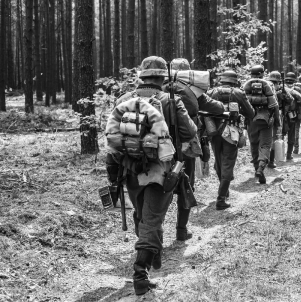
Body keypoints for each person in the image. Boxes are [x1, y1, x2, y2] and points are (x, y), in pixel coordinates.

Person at [105, 56, 197, 295]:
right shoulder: (169, 100)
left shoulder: (123, 100)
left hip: (130, 170)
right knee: (152, 219)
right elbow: (190, 131)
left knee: (142, 215)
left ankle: (151, 252)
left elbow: (111, 139)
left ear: (142, 76)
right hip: (161, 172)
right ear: (162, 78)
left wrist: (113, 174)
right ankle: (140, 271)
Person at [163, 58, 225, 241]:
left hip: (159, 145)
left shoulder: (160, 87)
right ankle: (181, 230)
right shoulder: (192, 90)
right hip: (185, 146)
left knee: (159, 185)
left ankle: (154, 229)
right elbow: (217, 107)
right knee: (185, 184)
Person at [207, 70, 255, 209]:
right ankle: (221, 199)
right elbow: (250, 113)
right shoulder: (238, 93)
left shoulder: (211, 92)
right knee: (227, 164)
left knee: (219, 162)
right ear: (235, 80)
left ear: (221, 79)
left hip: (214, 131)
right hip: (231, 132)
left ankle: (224, 189)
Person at [244, 65, 281, 184]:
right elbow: (275, 105)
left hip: (251, 120)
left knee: (254, 144)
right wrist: (277, 122)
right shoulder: (268, 85)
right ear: (262, 73)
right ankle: (261, 167)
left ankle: (256, 168)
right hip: (266, 121)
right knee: (265, 145)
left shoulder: (246, 84)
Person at [266, 71, 293, 168]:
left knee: (276, 138)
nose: (274, 84)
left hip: (278, 115)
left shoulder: (283, 90)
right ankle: (266, 160)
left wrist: (284, 93)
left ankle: (271, 160)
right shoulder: (265, 88)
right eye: (272, 82)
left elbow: (290, 100)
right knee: (269, 139)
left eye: (275, 82)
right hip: (268, 116)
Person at [283, 79, 301, 160]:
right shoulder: (293, 91)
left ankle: (278, 155)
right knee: (291, 135)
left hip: (280, 116)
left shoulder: (277, 90)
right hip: (291, 116)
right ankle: (289, 154)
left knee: (278, 136)